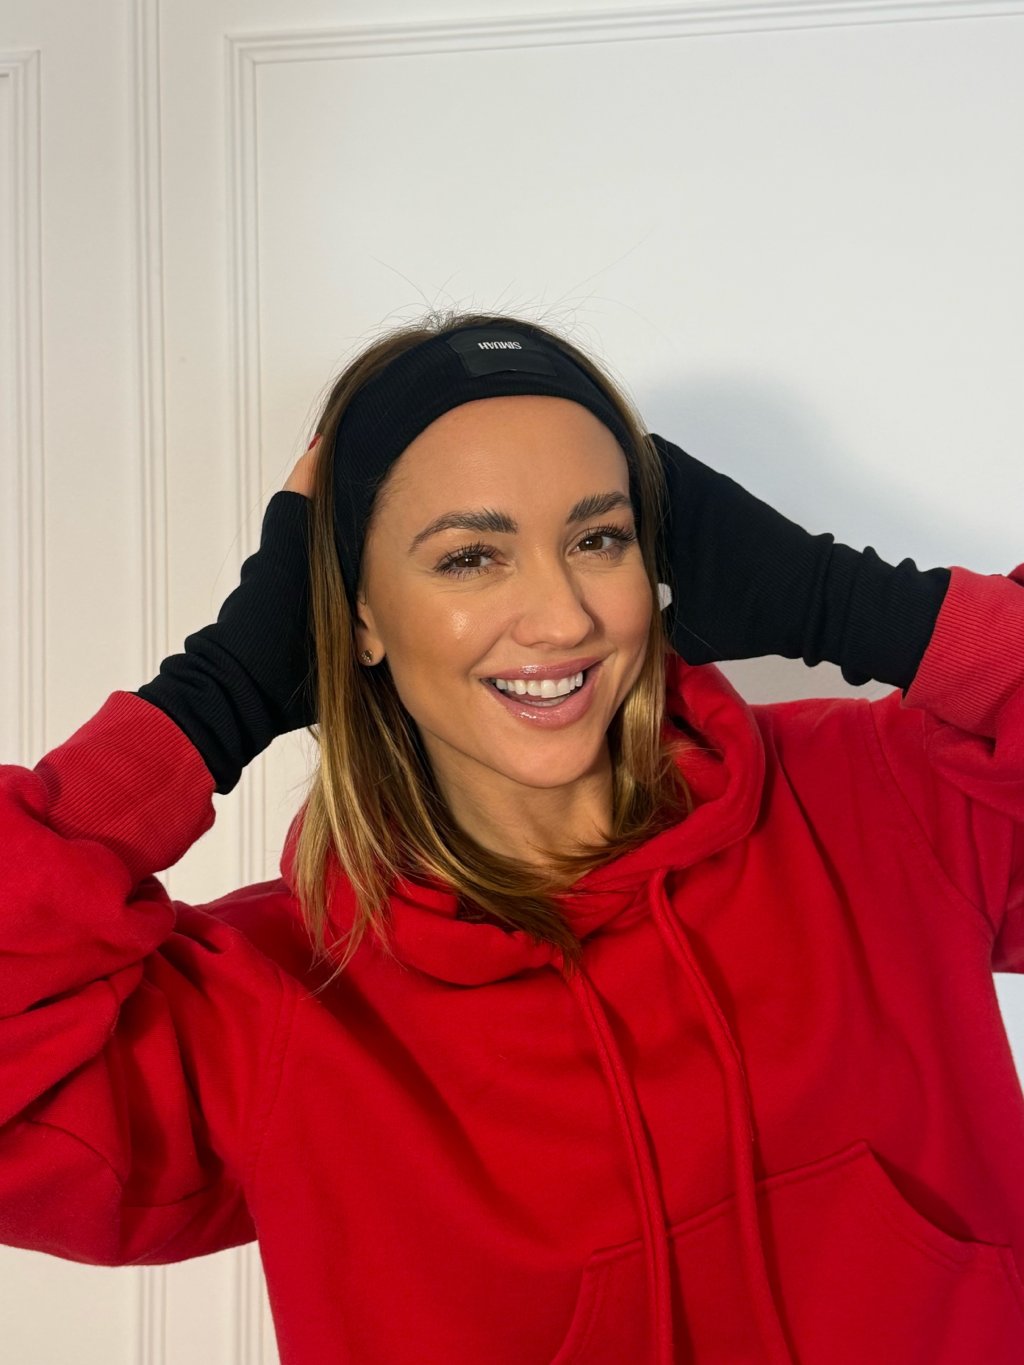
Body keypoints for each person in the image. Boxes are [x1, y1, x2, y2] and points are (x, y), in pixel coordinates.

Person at [2, 309, 1023, 1365]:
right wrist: (211, 700)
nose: (561, 617)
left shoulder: (878, 803)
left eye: (597, 538)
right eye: (470, 557)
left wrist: (847, 602)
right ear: (356, 616)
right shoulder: (275, 1007)